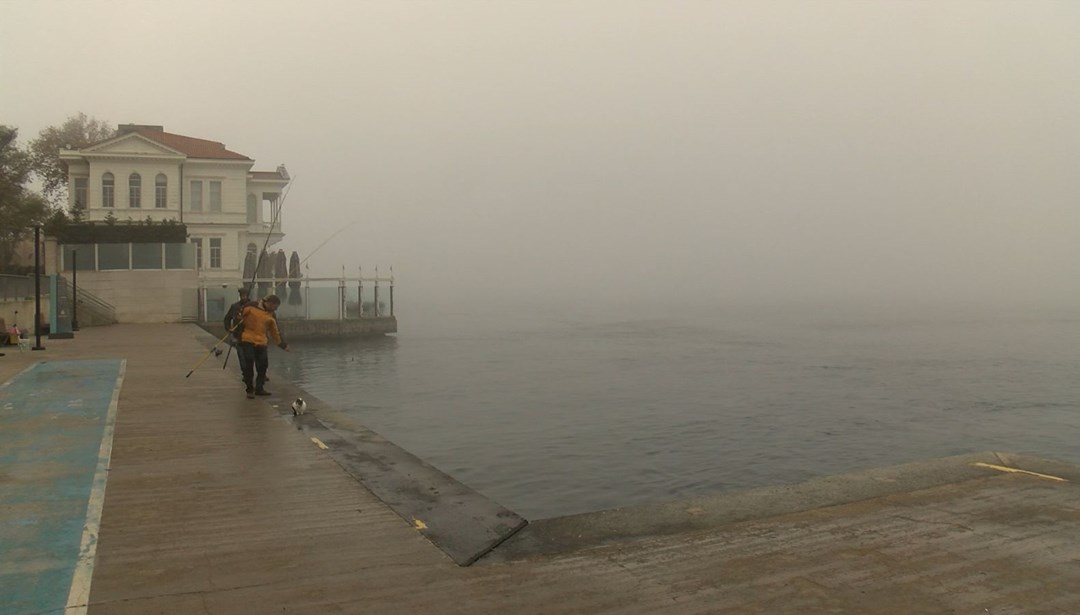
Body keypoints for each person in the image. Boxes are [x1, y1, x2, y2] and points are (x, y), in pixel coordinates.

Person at [237, 294, 289, 398]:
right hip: (247, 339)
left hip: (261, 341)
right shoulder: (251, 306)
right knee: (249, 364)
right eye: (275, 307)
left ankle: (259, 388)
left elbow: (275, 331)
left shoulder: (271, 315)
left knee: (263, 365)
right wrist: (239, 315)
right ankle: (249, 389)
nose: (276, 309)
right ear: (270, 303)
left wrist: (282, 344)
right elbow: (239, 316)